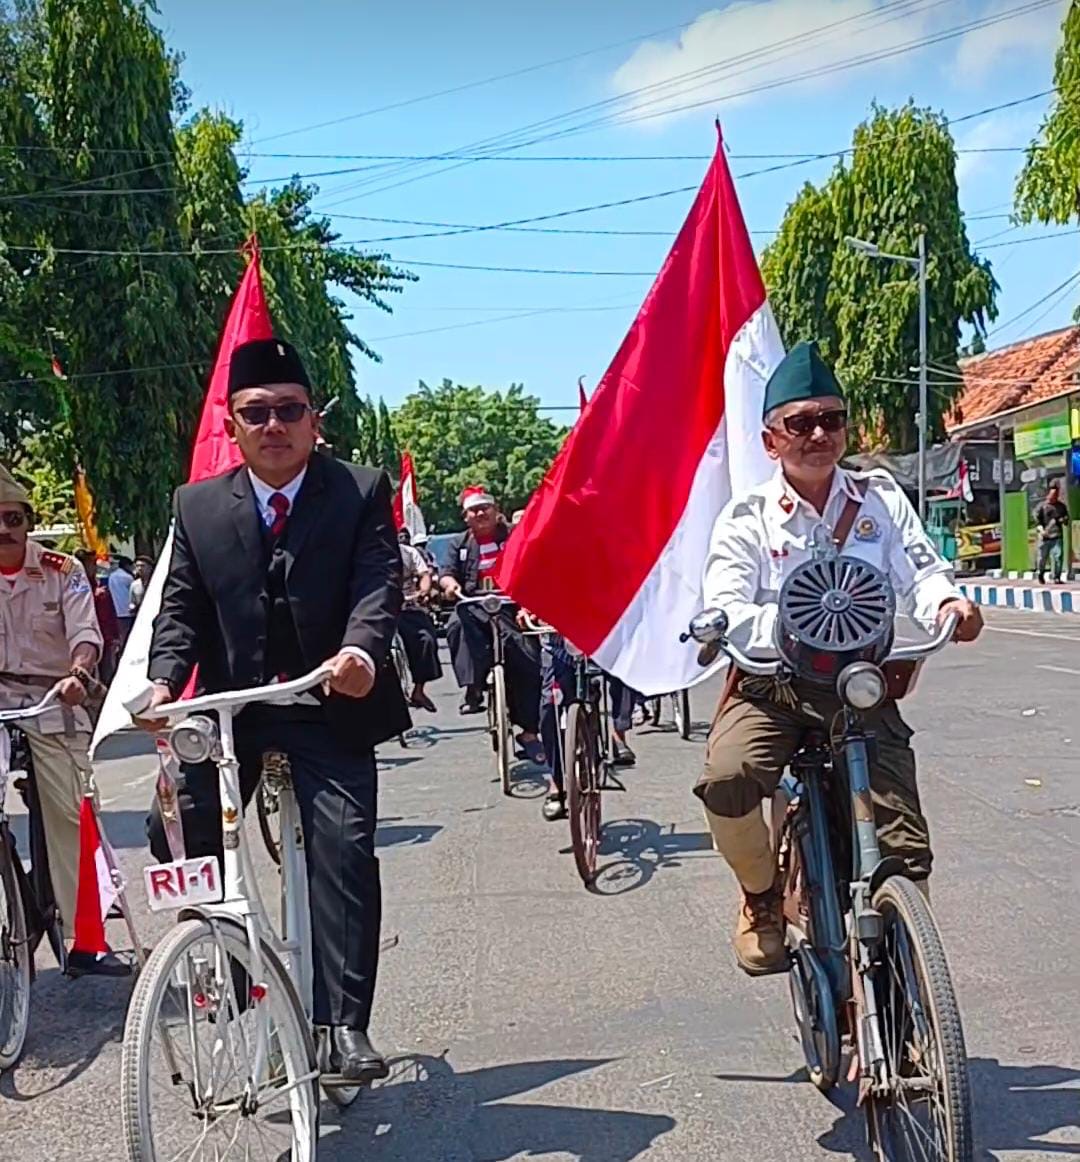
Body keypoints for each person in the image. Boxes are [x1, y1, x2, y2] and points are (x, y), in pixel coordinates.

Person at [136, 336, 409, 1081]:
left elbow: (378, 585)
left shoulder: (358, 489)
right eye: (256, 412)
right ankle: (220, 967)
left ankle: (342, 1023)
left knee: (344, 850)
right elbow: (181, 609)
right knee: (180, 827)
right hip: (236, 709)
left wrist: (360, 653)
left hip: (331, 702)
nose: (274, 425)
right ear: (233, 422)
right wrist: (163, 685)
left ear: (314, 420)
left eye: (290, 410)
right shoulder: (195, 507)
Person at [697, 341, 983, 976]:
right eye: (799, 424)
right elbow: (726, 604)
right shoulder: (747, 518)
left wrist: (950, 606)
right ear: (772, 441)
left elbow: (921, 569)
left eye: (830, 419)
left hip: (861, 687)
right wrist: (798, 628)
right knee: (727, 781)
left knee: (904, 844)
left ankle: (910, 994)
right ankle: (761, 897)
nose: (817, 434)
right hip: (772, 688)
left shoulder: (879, 499)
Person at [0, 467, 129, 976]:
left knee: (74, 817)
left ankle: (88, 940)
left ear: (27, 522)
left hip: (51, 698)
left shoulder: (61, 569)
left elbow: (86, 632)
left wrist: (79, 671)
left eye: (13, 518)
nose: (4, 529)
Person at [441, 487, 543, 762]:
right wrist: (450, 584)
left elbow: (532, 563)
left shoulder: (514, 536)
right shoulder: (459, 544)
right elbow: (447, 573)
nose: (480, 514)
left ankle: (529, 732)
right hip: (473, 603)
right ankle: (473, 686)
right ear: (466, 517)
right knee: (456, 626)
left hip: (509, 604)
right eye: (474, 510)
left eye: (485, 508)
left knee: (528, 659)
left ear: (496, 511)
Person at [397, 528, 442, 712]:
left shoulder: (409, 553)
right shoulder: (369, 550)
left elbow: (424, 575)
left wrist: (423, 591)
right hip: (378, 608)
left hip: (407, 605)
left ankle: (419, 690)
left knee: (426, 639)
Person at [75, 548, 120, 686]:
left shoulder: (99, 587)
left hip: (105, 638)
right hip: (84, 639)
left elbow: (110, 614)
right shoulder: (75, 587)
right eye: (91, 563)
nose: (93, 567)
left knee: (107, 675)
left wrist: (115, 636)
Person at [1034, 483, 1068, 584]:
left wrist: (1062, 520)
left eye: (1056, 495)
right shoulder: (1042, 507)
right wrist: (1042, 531)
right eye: (1052, 494)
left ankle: (1056, 577)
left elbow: (1066, 519)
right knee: (1042, 559)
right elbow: (1037, 522)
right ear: (1048, 494)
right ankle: (1040, 574)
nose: (1054, 497)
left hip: (1056, 536)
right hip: (1044, 537)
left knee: (1058, 556)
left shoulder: (1061, 507)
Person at [107, 554, 135, 647]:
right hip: (129, 612)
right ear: (127, 566)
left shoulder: (112, 576)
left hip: (117, 611)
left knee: (122, 637)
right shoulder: (128, 577)